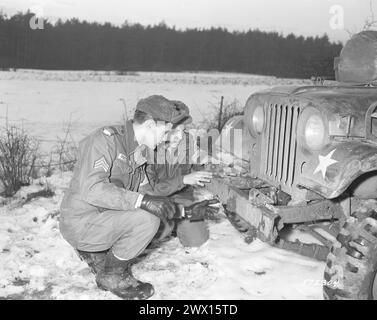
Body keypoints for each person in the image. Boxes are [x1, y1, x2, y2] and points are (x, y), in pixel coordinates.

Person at [59, 95, 191, 300]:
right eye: (165, 132)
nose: (166, 138)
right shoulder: (104, 140)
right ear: (149, 125)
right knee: (147, 219)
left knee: (154, 217)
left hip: (104, 219)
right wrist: (143, 201)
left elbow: (148, 192)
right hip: (80, 222)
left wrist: (178, 208)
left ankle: (100, 255)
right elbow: (93, 189)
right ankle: (111, 275)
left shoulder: (140, 152)